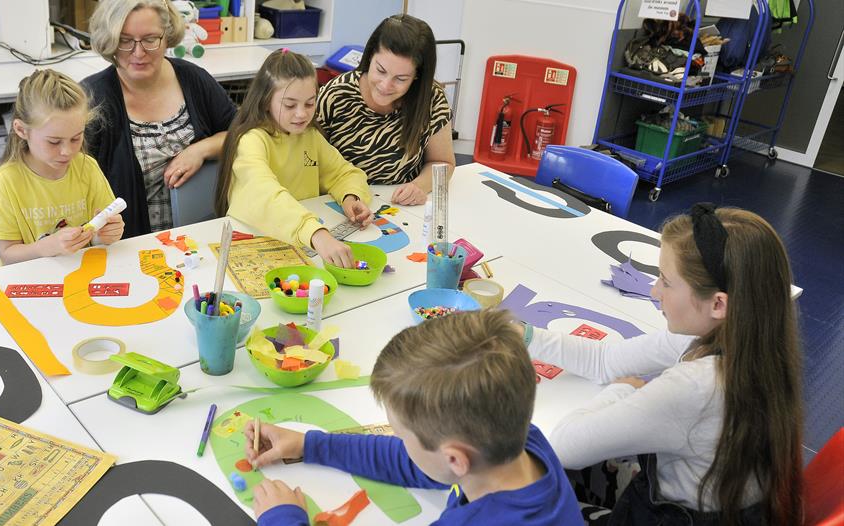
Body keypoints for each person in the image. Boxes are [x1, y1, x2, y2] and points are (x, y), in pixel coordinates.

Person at [524, 204, 803, 525]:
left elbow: (561, 447)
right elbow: (606, 360)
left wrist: (621, 390)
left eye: (666, 281)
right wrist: (523, 335)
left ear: (718, 303)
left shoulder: (695, 388)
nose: (655, 291)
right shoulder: (749, 337)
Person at [244, 310, 584, 525]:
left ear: (455, 457)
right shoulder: (519, 441)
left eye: (403, 436)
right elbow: (417, 463)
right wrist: (309, 444)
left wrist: (283, 519)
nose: (401, 444)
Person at [83, 0, 236, 237]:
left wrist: (200, 150)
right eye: (124, 41)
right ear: (110, 41)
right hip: (129, 247)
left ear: (167, 37)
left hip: (202, 238)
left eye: (150, 39)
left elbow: (242, 134)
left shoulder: (193, 79)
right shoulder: (93, 99)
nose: (138, 52)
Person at [214, 49, 372, 268]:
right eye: (289, 105)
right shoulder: (252, 140)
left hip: (299, 242)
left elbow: (343, 172)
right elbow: (264, 194)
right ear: (266, 100)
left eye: (309, 103)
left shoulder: (310, 136)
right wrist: (316, 233)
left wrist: (351, 197)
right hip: (258, 243)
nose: (301, 114)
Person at [0, 69, 124, 265]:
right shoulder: (6, 181)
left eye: (76, 138)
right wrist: (44, 248)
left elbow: (96, 235)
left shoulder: (86, 167)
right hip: (31, 282)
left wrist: (104, 235)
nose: (67, 151)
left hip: (82, 274)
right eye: (54, 142)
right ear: (21, 130)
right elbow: (7, 254)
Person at [317, 14, 455, 206]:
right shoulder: (336, 95)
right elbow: (309, 162)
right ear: (370, 56)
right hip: (341, 202)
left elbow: (443, 163)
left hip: (402, 208)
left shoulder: (430, 99)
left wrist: (418, 186)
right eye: (380, 70)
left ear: (417, 76)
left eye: (401, 79)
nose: (385, 85)